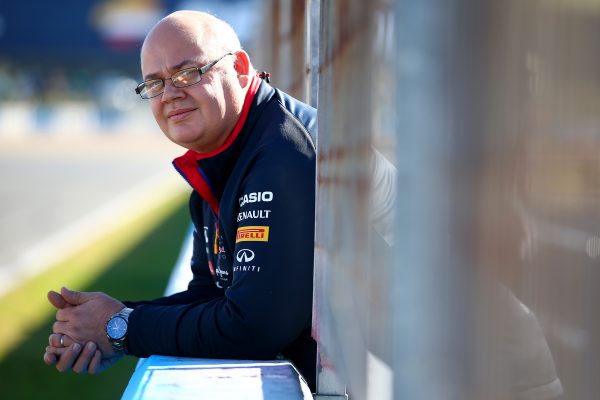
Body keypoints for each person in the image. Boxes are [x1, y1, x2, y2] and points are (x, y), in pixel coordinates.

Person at [43, 10, 317, 390]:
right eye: (154, 84)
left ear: (239, 67)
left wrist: (121, 327)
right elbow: (210, 294)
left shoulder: (283, 154)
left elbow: (256, 325)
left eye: (188, 73)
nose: (171, 94)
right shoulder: (226, 149)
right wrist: (105, 320)